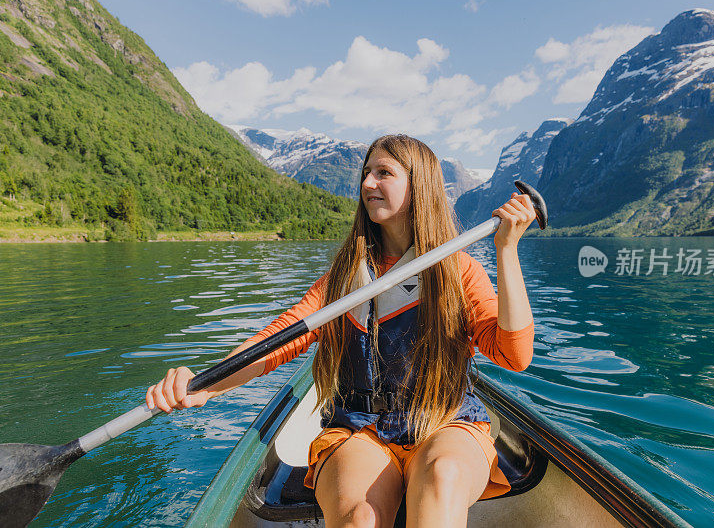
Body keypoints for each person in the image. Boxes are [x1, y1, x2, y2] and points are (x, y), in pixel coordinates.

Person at [145, 134, 536, 527]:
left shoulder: (459, 271)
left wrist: (507, 251)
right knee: (360, 518)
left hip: (445, 420)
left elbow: (514, 356)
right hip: (359, 428)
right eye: (367, 173)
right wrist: (206, 385)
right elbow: (278, 339)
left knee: (442, 477)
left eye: (384, 173)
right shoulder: (344, 279)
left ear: (420, 187)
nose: (368, 183)